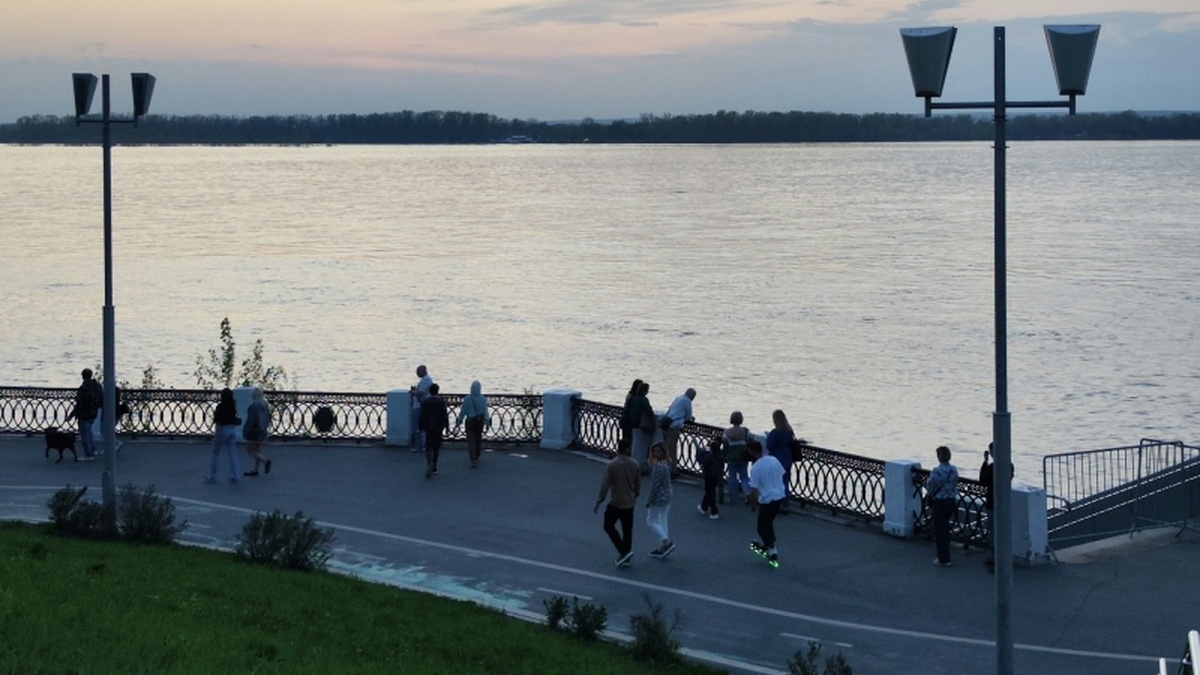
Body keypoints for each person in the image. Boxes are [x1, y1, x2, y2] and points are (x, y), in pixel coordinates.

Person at [594, 436, 641, 567]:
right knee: (627, 530)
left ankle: (623, 551)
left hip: (615, 502)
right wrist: (634, 496)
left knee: (608, 526)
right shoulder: (635, 464)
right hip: (629, 503)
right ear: (627, 449)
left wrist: (599, 501)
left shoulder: (612, 465)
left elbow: (605, 485)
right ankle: (626, 555)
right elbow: (638, 486)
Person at [747, 439, 785, 566]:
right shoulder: (774, 460)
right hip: (779, 496)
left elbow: (753, 489)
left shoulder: (755, 468)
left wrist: (752, 503)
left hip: (767, 499)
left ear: (752, 452)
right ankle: (767, 545)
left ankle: (771, 549)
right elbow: (782, 474)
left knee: (762, 526)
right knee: (768, 522)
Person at [979, 442, 1013, 574]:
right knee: (1003, 532)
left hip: (992, 502)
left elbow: (982, 479)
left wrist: (984, 462)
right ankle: (1003, 557)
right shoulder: (1009, 466)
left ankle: (994, 560)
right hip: (1004, 503)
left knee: (994, 533)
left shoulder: (993, 467)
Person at [927, 445, 960, 567]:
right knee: (946, 529)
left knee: (939, 531)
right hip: (950, 501)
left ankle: (943, 559)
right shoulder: (953, 470)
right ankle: (946, 556)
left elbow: (930, 486)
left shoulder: (937, 471)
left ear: (939, 457)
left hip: (940, 502)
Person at [645, 442, 675, 558]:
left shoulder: (659, 467)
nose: (655, 453)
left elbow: (654, 486)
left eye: (658, 451)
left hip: (659, 497)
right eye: (654, 451)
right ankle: (662, 546)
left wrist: (649, 501)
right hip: (667, 495)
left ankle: (666, 542)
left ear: (663, 452)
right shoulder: (666, 464)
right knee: (662, 520)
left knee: (651, 520)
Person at [207, 387, 242, 484]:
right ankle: (234, 475)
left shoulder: (220, 407)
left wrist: (217, 434)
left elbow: (217, 421)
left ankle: (212, 475)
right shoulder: (233, 405)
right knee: (232, 453)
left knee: (215, 453)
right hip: (232, 429)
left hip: (223, 429)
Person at [764, 409, 796, 513]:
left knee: (775, 483)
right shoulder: (789, 432)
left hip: (776, 460)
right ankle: (785, 504)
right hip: (787, 459)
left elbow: (770, 446)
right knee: (785, 482)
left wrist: (768, 436)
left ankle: (776, 503)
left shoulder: (775, 433)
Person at [69, 368, 103, 461]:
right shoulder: (97, 386)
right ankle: (93, 449)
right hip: (93, 412)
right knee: (89, 432)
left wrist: (72, 414)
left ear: (83, 376)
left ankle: (89, 454)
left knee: (84, 434)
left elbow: (79, 403)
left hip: (83, 413)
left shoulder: (83, 388)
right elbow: (101, 399)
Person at [662, 387, 696, 477]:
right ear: (692, 396)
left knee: (667, 446)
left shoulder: (678, 398)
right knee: (672, 448)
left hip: (667, 423)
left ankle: (665, 467)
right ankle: (671, 469)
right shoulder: (687, 401)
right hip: (674, 426)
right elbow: (688, 416)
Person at [457, 380, 491, 468]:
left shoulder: (467, 399)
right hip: (479, 422)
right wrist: (487, 422)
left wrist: (459, 420)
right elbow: (485, 412)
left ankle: (472, 458)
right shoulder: (483, 399)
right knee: (478, 438)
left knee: (471, 440)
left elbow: (463, 411)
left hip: (470, 421)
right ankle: (477, 454)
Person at [420, 382, 450, 479]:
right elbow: (445, 415)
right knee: (436, 447)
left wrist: (420, 427)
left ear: (429, 391)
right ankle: (434, 466)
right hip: (438, 427)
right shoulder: (441, 402)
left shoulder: (425, 402)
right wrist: (447, 427)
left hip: (428, 426)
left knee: (428, 447)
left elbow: (422, 415)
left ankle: (429, 462)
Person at [242, 387, 272, 477]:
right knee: (258, 450)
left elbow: (251, 421)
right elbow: (268, 417)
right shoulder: (265, 404)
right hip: (262, 430)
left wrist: (245, 431)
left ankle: (266, 462)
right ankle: (255, 469)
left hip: (254, 431)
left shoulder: (253, 406)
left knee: (250, 451)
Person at [625, 381, 655, 471]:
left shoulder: (632, 398)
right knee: (640, 445)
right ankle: (639, 465)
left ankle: (631, 463)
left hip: (631, 423)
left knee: (635, 444)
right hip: (640, 425)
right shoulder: (643, 400)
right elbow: (649, 411)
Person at [722, 411, 752, 503]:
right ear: (741, 420)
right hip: (743, 457)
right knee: (744, 476)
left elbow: (725, 447)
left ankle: (732, 497)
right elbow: (751, 440)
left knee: (732, 477)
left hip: (731, 458)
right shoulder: (746, 431)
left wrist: (725, 456)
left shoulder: (726, 433)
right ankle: (747, 495)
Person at [696, 436, 723, 520]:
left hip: (709, 475)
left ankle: (714, 512)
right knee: (710, 491)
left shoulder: (709, 457)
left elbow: (701, 461)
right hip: (716, 475)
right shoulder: (720, 455)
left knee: (709, 492)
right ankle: (703, 507)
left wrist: (698, 452)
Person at [410, 365, 434, 453]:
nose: (417, 373)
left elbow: (421, 393)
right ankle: (423, 444)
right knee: (422, 426)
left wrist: (413, 392)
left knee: (417, 426)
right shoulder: (426, 380)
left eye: (418, 371)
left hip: (420, 406)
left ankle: (419, 445)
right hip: (422, 406)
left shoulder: (426, 380)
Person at [618, 378, 643, 444]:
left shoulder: (629, 395)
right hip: (629, 421)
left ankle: (623, 451)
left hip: (624, 419)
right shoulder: (635, 397)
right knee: (629, 439)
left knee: (626, 438)